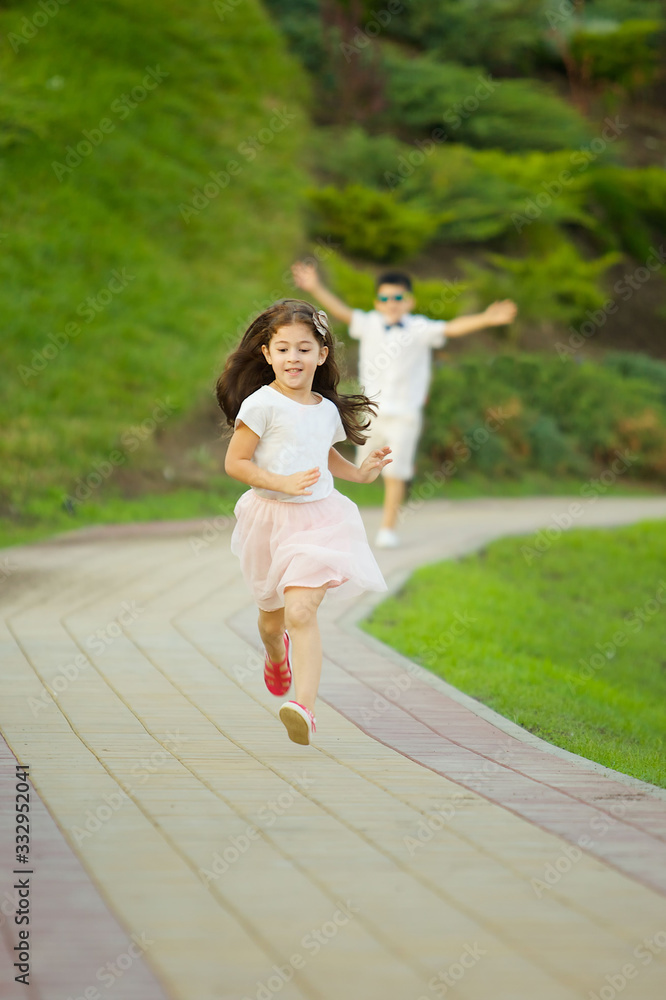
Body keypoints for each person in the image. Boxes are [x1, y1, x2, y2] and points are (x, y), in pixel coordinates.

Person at [217, 299, 391, 746]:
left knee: (300, 611)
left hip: (320, 521)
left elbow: (324, 456)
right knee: (273, 623)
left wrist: (362, 472)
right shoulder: (261, 405)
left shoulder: (325, 409)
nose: (293, 358)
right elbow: (235, 463)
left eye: (303, 348)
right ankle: (276, 654)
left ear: (322, 354)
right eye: (283, 349)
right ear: (267, 354)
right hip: (268, 521)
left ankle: (304, 708)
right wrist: (280, 482)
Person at [292, 261, 517, 547]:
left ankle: (387, 528)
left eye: (397, 298)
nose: (391, 304)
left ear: (409, 301)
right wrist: (315, 287)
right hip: (371, 413)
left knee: (395, 473)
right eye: (385, 298)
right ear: (377, 302)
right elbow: (342, 313)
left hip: (405, 415)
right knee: (357, 471)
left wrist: (485, 319)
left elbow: (452, 328)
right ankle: (327, 522)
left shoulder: (420, 328)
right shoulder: (370, 323)